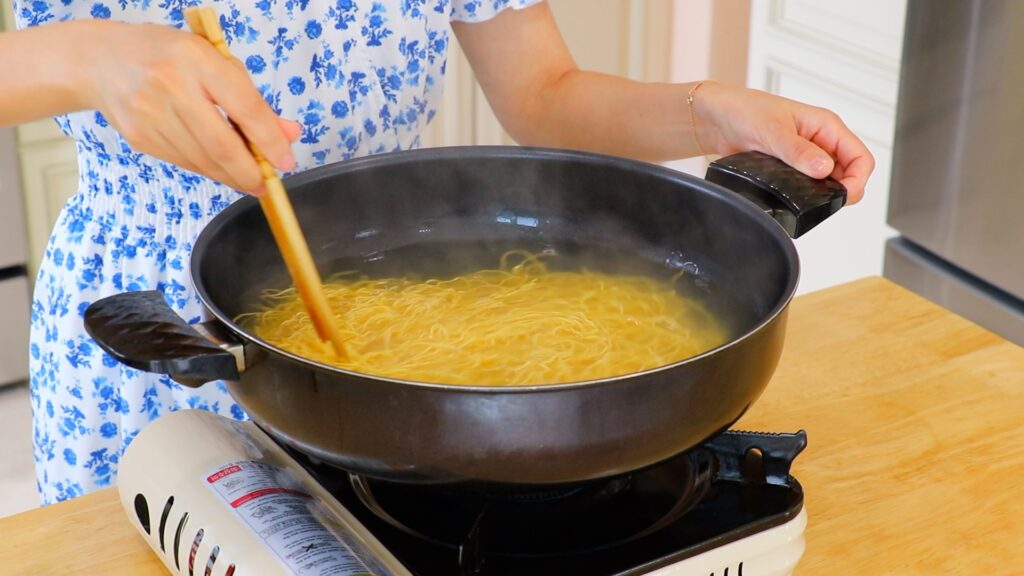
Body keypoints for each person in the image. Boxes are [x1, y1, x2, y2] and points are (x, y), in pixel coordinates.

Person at [1, 0, 874, 505]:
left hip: (397, 391)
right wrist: (90, 57)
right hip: (157, 338)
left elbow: (545, 93)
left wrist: (708, 112)